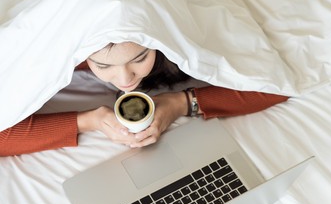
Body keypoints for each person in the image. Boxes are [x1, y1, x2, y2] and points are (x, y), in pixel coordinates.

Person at [0, 42, 288, 156]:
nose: (126, 80)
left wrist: (180, 103)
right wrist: (90, 120)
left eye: (140, 59)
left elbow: (280, 84)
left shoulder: (179, 42)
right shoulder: (64, 49)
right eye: (103, 66)